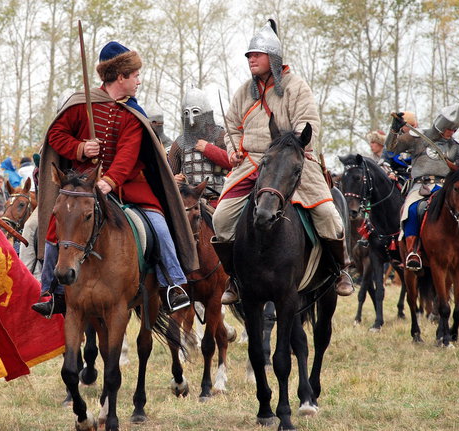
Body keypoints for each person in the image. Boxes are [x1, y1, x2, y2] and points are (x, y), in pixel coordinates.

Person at [33, 41, 198, 316]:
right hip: (82, 186)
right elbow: (56, 135)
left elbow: (128, 155)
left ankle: (173, 283)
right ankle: (53, 291)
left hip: (129, 187)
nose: (139, 82)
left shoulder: (133, 113)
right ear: (120, 76)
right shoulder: (79, 104)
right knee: (54, 226)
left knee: (158, 225)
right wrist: (81, 148)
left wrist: (109, 181)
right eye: (135, 76)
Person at [211, 20, 354, 305]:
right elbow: (231, 126)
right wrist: (233, 149)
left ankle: (340, 269)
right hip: (251, 164)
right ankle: (234, 277)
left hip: (291, 161)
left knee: (327, 214)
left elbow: (308, 122)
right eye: (249, 55)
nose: (251, 59)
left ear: (273, 58)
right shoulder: (243, 92)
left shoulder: (296, 87)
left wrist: (291, 145)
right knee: (221, 218)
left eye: (257, 55)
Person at [387, 103, 459, 269]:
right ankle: (414, 251)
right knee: (412, 209)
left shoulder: (455, 145)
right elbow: (391, 148)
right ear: (441, 124)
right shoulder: (418, 138)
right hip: (421, 186)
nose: (452, 132)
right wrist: (394, 130)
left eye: (455, 129)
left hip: (446, 188)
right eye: (449, 128)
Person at [167, 87, 230, 205]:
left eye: (195, 112)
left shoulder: (221, 136)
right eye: (186, 113)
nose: (191, 120)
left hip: (218, 201)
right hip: (189, 203)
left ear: (205, 113)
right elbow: (168, 177)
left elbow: (234, 164)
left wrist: (209, 149)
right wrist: (175, 179)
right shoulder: (180, 143)